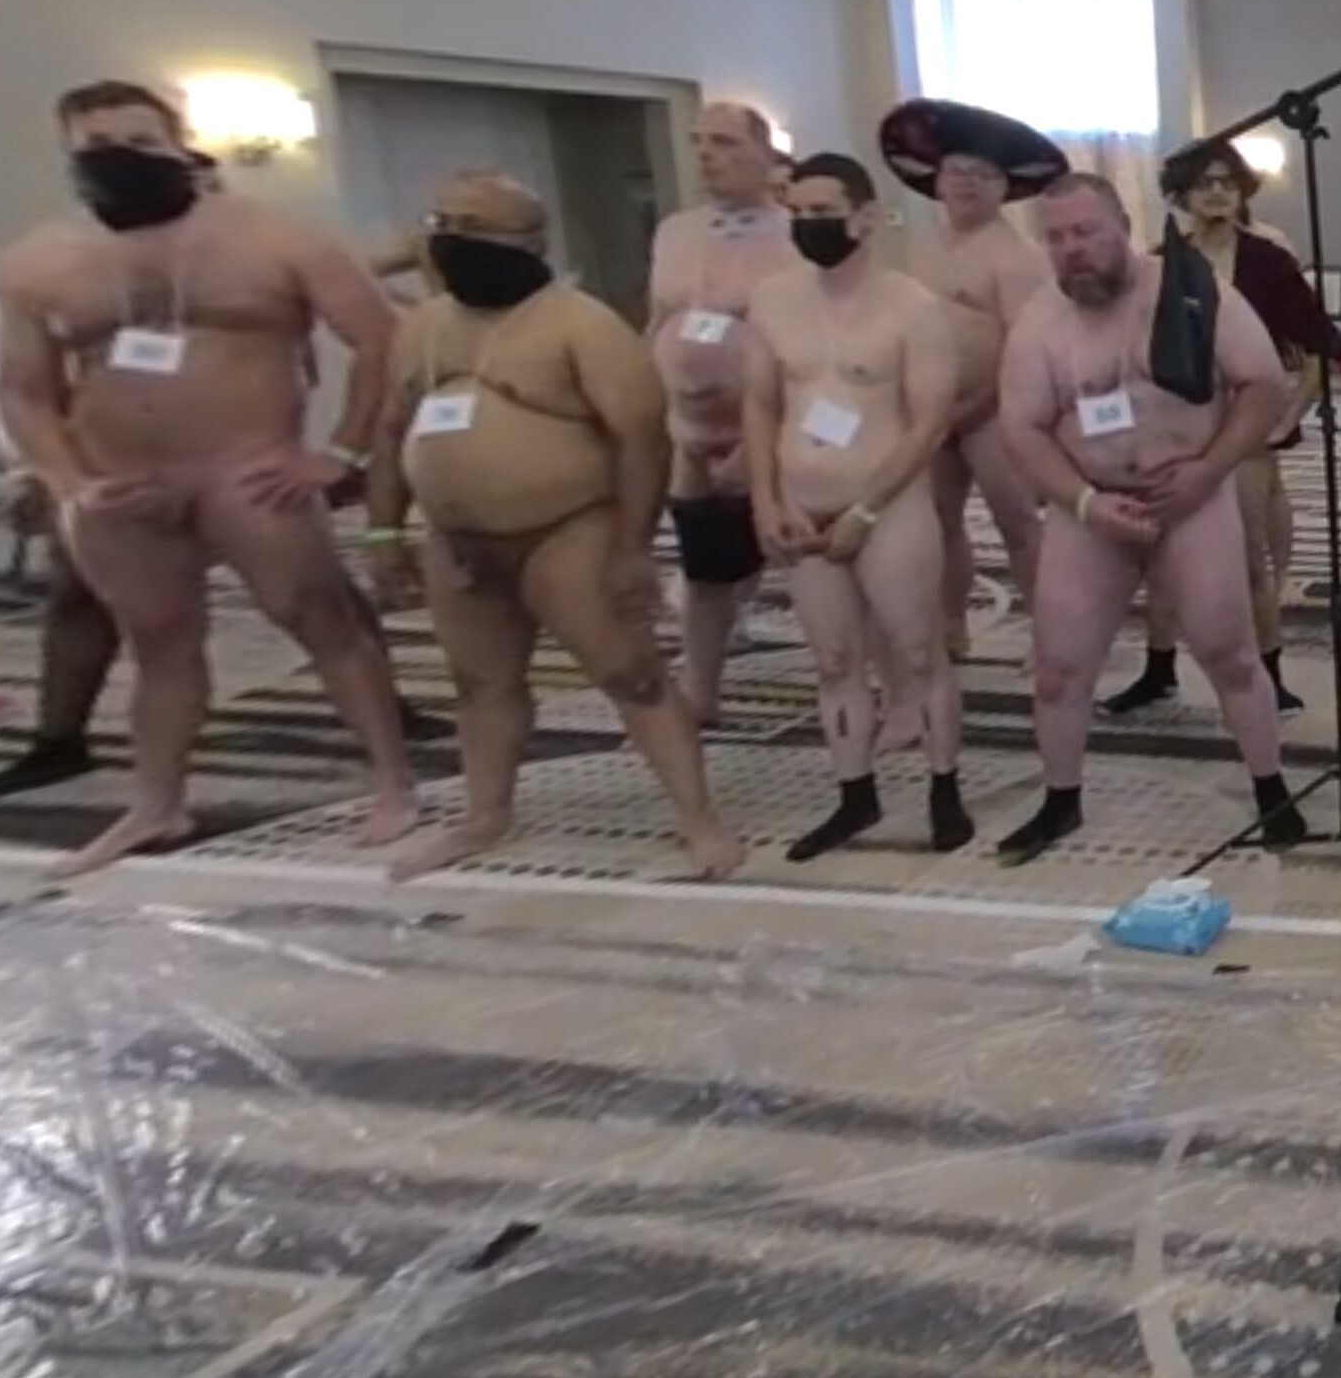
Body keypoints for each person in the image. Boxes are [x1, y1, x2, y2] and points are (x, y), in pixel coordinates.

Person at [0, 80, 417, 876]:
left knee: (321, 621)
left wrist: (343, 453)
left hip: (246, 469)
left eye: (140, 142)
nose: (122, 157)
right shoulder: (32, 264)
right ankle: (157, 804)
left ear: (178, 143)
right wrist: (66, 479)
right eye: (98, 146)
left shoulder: (278, 238)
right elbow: (20, 389)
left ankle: (394, 781)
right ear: (70, 155)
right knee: (157, 641)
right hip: (118, 479)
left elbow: (384, 341)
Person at [360, 172, 745, 881]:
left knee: (631, 674)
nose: (450, 240)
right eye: (441, 225)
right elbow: (388, 433)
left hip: (568, 531)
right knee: (479, 684)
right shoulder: (423, 327)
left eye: (471, 228)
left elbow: (641, 439)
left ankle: (699, 820)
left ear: (528, 243)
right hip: (453, 538)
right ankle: (486, 814)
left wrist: (632, 548)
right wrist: (382, 534)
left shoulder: (582, 325)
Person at [992, 172, 1307, 861]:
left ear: (1123, 229)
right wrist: (1085, 503)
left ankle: (1271, 790)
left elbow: (1262, 385)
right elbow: (1022, 428)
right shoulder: (1040, 321)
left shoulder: (1191, 291)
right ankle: (1060, 799)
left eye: (1085, 232)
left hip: (1192, 496)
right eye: (1056, 238)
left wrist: (1210, 469)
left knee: (1229, 653)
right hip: (1089, 504)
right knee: (1059, 666)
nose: (1071, 249)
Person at [739, 154, 967, 860]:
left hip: (888, 507)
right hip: (803, 506)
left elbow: (929, 423)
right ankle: (854, 793)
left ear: (864, 218)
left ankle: (944, 789)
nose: (807, 224)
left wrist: (866, 511)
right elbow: (760, 404)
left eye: (822, 212)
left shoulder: (911, 307)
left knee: (917, 651)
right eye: (797, 213)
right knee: (834, 659)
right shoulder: (773, 301)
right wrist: (765, 499)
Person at [1099, 141, 1335, 717]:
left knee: (1251, 557)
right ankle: (1159, 671)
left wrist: (1287, 417)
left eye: (1227, 182)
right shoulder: (1159, 263)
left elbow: (1320, 348)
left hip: (1247, 426)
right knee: (1162, 554)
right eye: (1205, 183)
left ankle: (1270, 675)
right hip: (1175, 427)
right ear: (1182, 194)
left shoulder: (1268, 262)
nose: (1217, 193)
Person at [878, 99, 1064, 660]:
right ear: (937, 180)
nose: (967, 183)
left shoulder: (1016, 256)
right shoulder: (922, 246)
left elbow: (1023, 346)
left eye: (983, 174)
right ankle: (950, 625)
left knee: (1018, 524)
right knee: (938, 523)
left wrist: (976, 406)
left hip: (993, 411)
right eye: (957, 171)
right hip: (931, 408)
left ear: (1004, 187)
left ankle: (1052, 636)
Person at [649, 102, 807, 724]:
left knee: (806, 558)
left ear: (765, 153)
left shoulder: (794, 236)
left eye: (724, 141)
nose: (706, 154)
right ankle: (701, 689)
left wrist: (759, 440)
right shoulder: (675, 233)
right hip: (688, 426)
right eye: (699, 142)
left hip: (770, 426)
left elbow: (808, 346)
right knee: (704, 563)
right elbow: (658, 320)